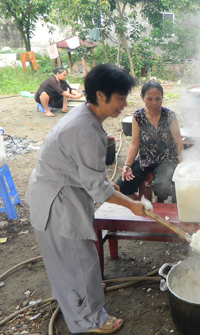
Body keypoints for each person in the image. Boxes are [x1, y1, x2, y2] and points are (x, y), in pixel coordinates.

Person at [26, 64, 145, 334]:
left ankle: (81, 298)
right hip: (58, 202)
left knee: (68, 262)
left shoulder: (85, 116)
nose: (124, 105)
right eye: (120, 98)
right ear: (100, 96)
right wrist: (132, 205)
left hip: (53, 192)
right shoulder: (88, 130)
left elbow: (84, 169)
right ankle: (90, 322)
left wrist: (105, 180)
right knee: (79, 261)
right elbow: (98, 191)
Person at [116, 81, 183, 203]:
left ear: (162, 98)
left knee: (162, 185)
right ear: (142, 98)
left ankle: (159, 202)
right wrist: (127, 165)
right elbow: (134, 143)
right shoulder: (138, 116)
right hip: (145, 159)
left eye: (158, 99)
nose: (154, 103)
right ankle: (139, 203)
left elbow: (178, 142)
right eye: (149, 99)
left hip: (166, 159)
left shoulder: (169, 116)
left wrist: (181, 164)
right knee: (121, 186)